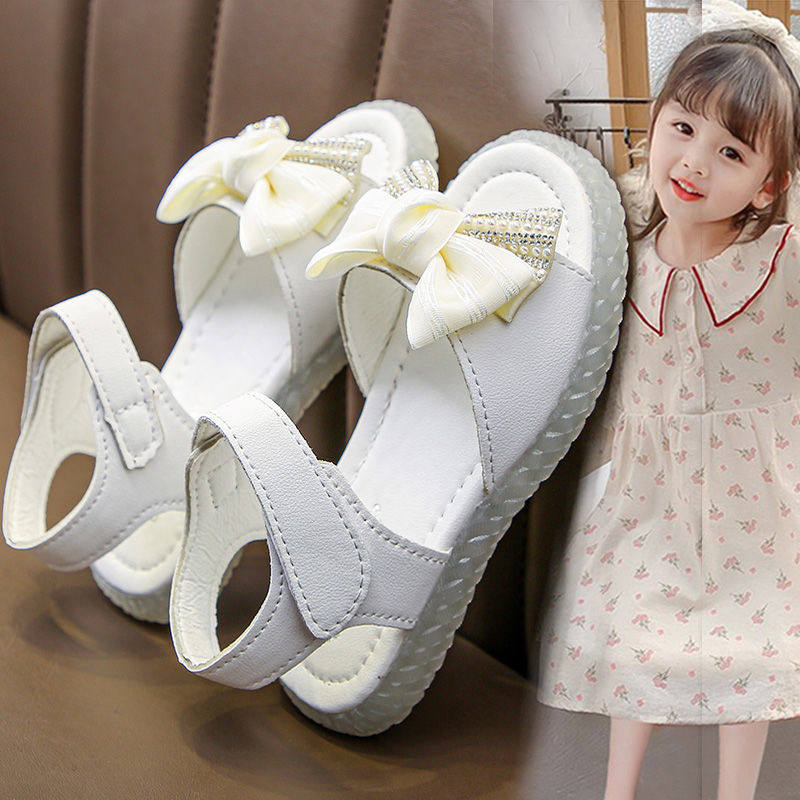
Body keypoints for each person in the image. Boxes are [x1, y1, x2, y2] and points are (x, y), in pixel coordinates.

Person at [537, 3, 800, 799]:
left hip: (756, 500)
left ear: (769, 185)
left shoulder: (781, 261)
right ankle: (617, 791)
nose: (694, 162)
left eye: (731, 151)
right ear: (654, 125)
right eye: (682, 128)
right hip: (647, 491)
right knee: (636, 640)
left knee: (751, 650)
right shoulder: (619, 246)